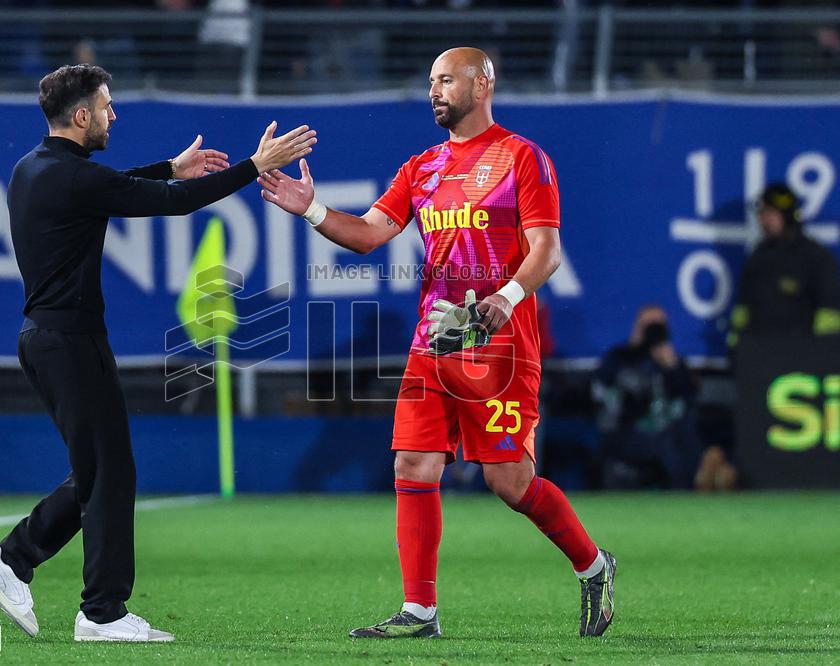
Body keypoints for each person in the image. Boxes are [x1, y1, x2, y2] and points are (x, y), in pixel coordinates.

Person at [259, 47, 615, 639]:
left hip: (500, 347)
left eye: (447, 80)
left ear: (483, 83)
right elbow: (370, 234)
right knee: (414, 462)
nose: (436, 91)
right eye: (431, 82)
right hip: (436, 342)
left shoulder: (522, 157)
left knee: (510, 483)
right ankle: (419, 612)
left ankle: (594, 564)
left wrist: (504, 299)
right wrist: (313, 209)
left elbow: (546, 251)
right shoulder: (421, 167)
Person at [0, 64, 316, 643]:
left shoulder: (36, 168)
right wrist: (255, 166)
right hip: (70, 343)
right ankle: (97, 610)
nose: (114, 114)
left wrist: (168, 169)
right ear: (82, 116)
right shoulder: (70, 178)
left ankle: (18, 561)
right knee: (110, 474)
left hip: (50, 340)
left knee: (100, 471)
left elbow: (114, 187)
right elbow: (169, 204)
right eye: (106, 105)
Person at [592, 305, 704, 490]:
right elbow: (602, 386)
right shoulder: (621, 356)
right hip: (628, 428)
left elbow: (688, 395)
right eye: (648, 325)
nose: (653, 330)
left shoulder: (672, 360)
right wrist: (634, 348)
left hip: (667, 430)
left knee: (681, 439)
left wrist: (672, 366)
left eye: (658, 325)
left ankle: (684, 495)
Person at [728, 183, 840, 346]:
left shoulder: (815, 257)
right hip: (758, 356)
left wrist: (822, 352)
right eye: (761, 214)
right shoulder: (758, 255)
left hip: (800, 359)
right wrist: (736, 344)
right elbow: (743, 309)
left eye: (770, 213)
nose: (763, 220)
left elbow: (830, 312)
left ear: (787, 215)